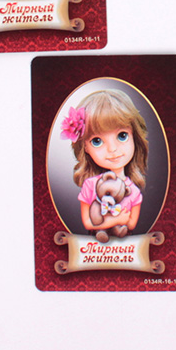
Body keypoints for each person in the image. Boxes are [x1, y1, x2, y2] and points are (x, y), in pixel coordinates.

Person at [61, 89, 149, 242]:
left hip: (128, 248)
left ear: (135, 136)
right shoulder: (90, 186)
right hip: (91, 248)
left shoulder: (133, 191)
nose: (112, 149)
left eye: (122, 136)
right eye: (97, 141)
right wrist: (116, 220)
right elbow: (87, 223)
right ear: (85, 147)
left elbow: (131, 224)